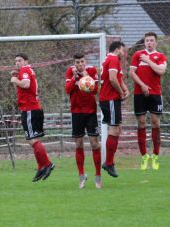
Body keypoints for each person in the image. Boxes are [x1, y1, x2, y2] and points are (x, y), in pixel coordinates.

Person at [10, 53, 55, 182]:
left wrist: (15, 80)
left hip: (29, 109)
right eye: (16, 61)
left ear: (26, 61)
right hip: (34, 108)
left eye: (20, 60)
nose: (17, 63)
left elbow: (25, 84)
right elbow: (23, 88)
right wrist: (15, 78)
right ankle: (41, 166)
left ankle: (47, 164)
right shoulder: (28, 70)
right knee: (33, 139)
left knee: (31, 140)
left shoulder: (25, 70)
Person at [129, 32, 167, 171]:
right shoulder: (137, 55)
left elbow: (160, 71)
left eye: (151, 40)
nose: (149, 43)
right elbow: (132, 73)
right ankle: (144, 156)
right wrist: (143, 85)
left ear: (156, 43)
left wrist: (148, 60)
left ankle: (155, 156)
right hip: (140, 93)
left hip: (155, 94)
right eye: (147, 41)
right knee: (141, 123)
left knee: (156, 123)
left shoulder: (160, 56)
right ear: (144, 42)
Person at [65, 52, 102, 189]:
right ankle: (81, 176)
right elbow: (67, 90)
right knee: (79, 144)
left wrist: (86, 77)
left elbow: (95, 91)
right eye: (77, 62)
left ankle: (98, 177)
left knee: (94, 143)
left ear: (85, 61)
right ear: (74, 63)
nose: (80, 65)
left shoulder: (91, 70)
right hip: (76, 113)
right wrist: (75, 77)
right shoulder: (70, 72)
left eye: (82, 62)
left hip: (90, 112)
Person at [99, 41, 129, 178]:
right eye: (123, 50)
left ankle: (110, 162)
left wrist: (125, 89)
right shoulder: (112, 58)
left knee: (117, 129)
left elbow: (118, 78)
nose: (124, 53)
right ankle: (108, 162)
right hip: (109, 99)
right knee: (114, 129)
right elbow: (112, 79)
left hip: (111, 99)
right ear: (118, 50)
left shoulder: (112, 59)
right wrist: (121, 93)